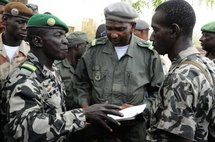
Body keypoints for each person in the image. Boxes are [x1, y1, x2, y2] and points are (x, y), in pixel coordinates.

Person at [1, 13, 123, 142]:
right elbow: (24, 130)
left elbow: (55, 117)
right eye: (58, 35)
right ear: (37, 41)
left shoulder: (52, 71)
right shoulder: (24, 78)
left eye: (64, 35)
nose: (66, 41)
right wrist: (83, 115)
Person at [75, 2, 165, 142]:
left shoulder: (149, 55)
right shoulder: (93, 51)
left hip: (133, 131)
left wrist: (141, 109)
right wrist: (86, 108)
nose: (114, 34)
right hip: (98, 130)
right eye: (109, 28)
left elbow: (159, 93)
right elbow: (81, 83)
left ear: (133, 27)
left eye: (120, 29)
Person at [147, 0, 215, 141]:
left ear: (174, 30)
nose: (151, 37)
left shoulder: (180, 77)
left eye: (156, 30)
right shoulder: (207, 64)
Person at [0, 2, 33, 141]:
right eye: (20, 22)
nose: (24, 27)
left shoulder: (32, 53)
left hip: (18, 124)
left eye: (27, 23)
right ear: (5, 20)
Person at [55, 31, 89, 109]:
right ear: (77, 46)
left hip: (83, 111)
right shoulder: (57, 67)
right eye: (85, 45)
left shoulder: (83, 64)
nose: (87, 48)